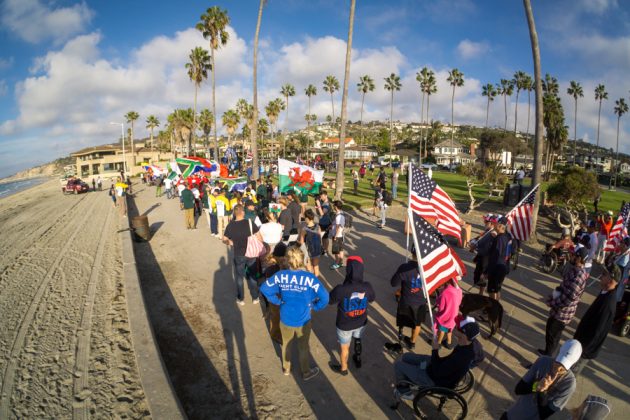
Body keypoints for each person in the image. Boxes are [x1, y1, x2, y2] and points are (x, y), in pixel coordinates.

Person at [259, 246, 329, 380]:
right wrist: (315, 306)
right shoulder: (310, 278)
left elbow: (264, 288)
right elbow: (325, 297)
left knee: (286, 344)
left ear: (287, 260)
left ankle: (286, 368)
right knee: (303, 347)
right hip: (304, 319)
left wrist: (277, 301)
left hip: (285, 317)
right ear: (303, 260)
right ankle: (306, 372)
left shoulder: (280, 275)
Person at [394, 317, 481, 398]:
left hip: (434, 379)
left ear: (464, 335)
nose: (453, 326)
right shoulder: (470, 342)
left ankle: (405, 391)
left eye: (456, 326)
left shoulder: (460, 357)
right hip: (439, 366)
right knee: (406, 356)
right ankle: (412, 377)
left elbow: (437, 372)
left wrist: (435, 350)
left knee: (398, 365)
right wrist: (442, 327)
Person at [501, 340, 582, 420]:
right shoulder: (543, 361)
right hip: (513, 415)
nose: (557, 370)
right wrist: (536, 386)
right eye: (556, 364)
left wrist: (542, 392)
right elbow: (518, 389)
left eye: (562, 369)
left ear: (573, 365)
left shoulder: (569, 384)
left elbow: (544, 414)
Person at [538, 247, 589, 357]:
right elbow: (564, 287)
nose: (572, 256)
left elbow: (568, 298)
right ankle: (547, 352)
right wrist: (553, 295)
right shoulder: (574, 270)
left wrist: (552, 303)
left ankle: (547, 359)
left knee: (552, 335)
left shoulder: (578, 276)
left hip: (562, 313)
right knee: (551, 332)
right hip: (558, 310)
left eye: (575, 255)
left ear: (579, 258)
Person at [328, 256, 376, 375]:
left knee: (345, 348)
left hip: (345, 325)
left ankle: (344, 368)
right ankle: (358, 358)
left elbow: (330, 300)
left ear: (348, 270)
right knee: (358, 339)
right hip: (361, 321)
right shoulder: (367, 286)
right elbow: (372, 299)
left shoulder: (341, 289)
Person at [572, 270, 618, 376]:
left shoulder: (608, 303)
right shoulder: (604, 292)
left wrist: (582, 351)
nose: (601, 276)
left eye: (605, 275)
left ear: (611, 281)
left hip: (584, 349)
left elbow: (598, 331)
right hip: (580, 344)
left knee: (570, 376)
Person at [390, 247, 427, 349]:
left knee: (403, 322)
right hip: (421, 302)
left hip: (406, 301)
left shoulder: (405, 267)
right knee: (417, 323)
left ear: (412, 252)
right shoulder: (428, 267)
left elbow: (393, 283)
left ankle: (400, 338)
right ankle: (412, 341)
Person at [223, 205, 260, 306]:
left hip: (238, 254)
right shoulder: (250, 223)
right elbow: (259, 236)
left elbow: (224, 239)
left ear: (234, 213)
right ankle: (255, 297)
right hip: (251, 253)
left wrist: (231, 243)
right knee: (252, 276)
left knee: (239, 277)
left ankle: (241, 298)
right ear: (243, 212)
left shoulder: (231, 225)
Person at [484, 216, 513, 301]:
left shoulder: (499, 238)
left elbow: (495, 256)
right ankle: (496, 307)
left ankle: (493, 308)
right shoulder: (508, 236)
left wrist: (486, 272)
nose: (494, 225)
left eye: (496, 224)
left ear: (500, 226)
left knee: (492, 291)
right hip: (504, 266)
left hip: (497, 267)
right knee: (497, 289)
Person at [470, 214, 496, 295]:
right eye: (485, 221)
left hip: (486, 258)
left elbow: (488, 248)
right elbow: (479, 240)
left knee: (482, 277)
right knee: (478, 275)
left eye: (486, 222)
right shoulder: (486, 231)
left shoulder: (492, 233)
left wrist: (476, 248)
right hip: (481, 257)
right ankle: (480, 292)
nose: (484, 223)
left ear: (491, 223)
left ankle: (481, 293)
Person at [434, 278, 463, 349]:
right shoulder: (458, 291)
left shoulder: (445, 293)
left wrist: (438, 299)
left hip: (446, 317)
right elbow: (459, 302)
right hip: (454, 316)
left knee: (442, 330)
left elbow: (441, 307)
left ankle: (438, 343)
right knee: (449, 330)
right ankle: (449, 343)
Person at [299, 209, 322, 278]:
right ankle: (316, 280)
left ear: (307, 218)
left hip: (308, 250)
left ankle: (310, 280)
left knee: (309, 267)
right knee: (316, 266)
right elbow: (319, 237)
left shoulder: (304, 229)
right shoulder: (318, 227)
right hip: (317, 249)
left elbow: (301, 241)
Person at [330, 200, 346, 270]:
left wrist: (335, 236)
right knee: (341, 250)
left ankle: (337, 263)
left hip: (337, 235)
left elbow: (338, 227)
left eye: (334, 206)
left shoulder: (338, 216)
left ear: (336, 207)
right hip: (341, 235)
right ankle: (341, 262)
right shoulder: (342, 213)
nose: (333, 207)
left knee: (336, 251)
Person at [316, 191, 332, 256]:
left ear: (326, 195)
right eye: (320, 196)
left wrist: (318, 205)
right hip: (322, 222)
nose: (321, 198)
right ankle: (324, 249)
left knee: (325, 237)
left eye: (322, 196)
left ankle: (325, 250)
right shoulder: (324, 203)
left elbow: (322, 213)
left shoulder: (326, 204)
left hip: (325, 223)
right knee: (323, 237)